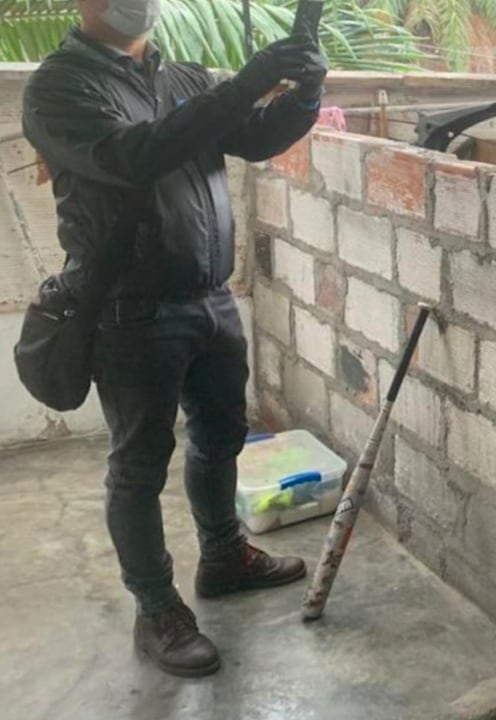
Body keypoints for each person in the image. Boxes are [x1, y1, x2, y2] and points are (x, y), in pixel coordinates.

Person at [22, 0, 327, 678]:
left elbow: (252, 136)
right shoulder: (59, 86)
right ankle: (156, 608)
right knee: (139, 464)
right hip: (132, 311)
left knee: (221, 438)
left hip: (212, 297)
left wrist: (306, 90)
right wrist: (247, 81)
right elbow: (140, 154)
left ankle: (222, 558)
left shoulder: (182, 77)